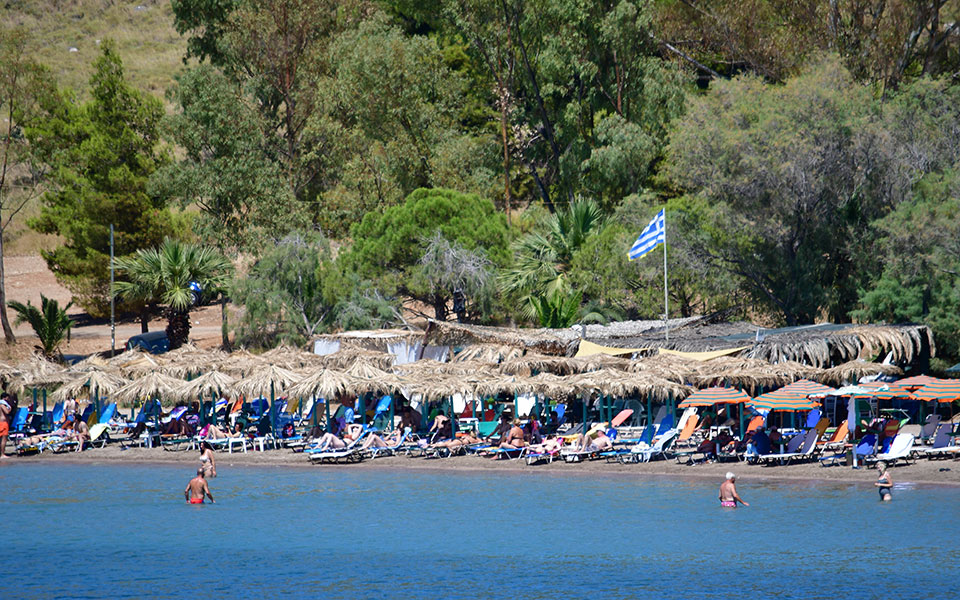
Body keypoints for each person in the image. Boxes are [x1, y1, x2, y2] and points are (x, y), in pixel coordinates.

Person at [0, 392, 10, 459]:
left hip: (1, 422)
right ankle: (2, 454)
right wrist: (10, 408)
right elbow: (7, 412)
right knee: (4, 439)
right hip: (3, 423)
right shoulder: (2, 405)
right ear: (5, 398)